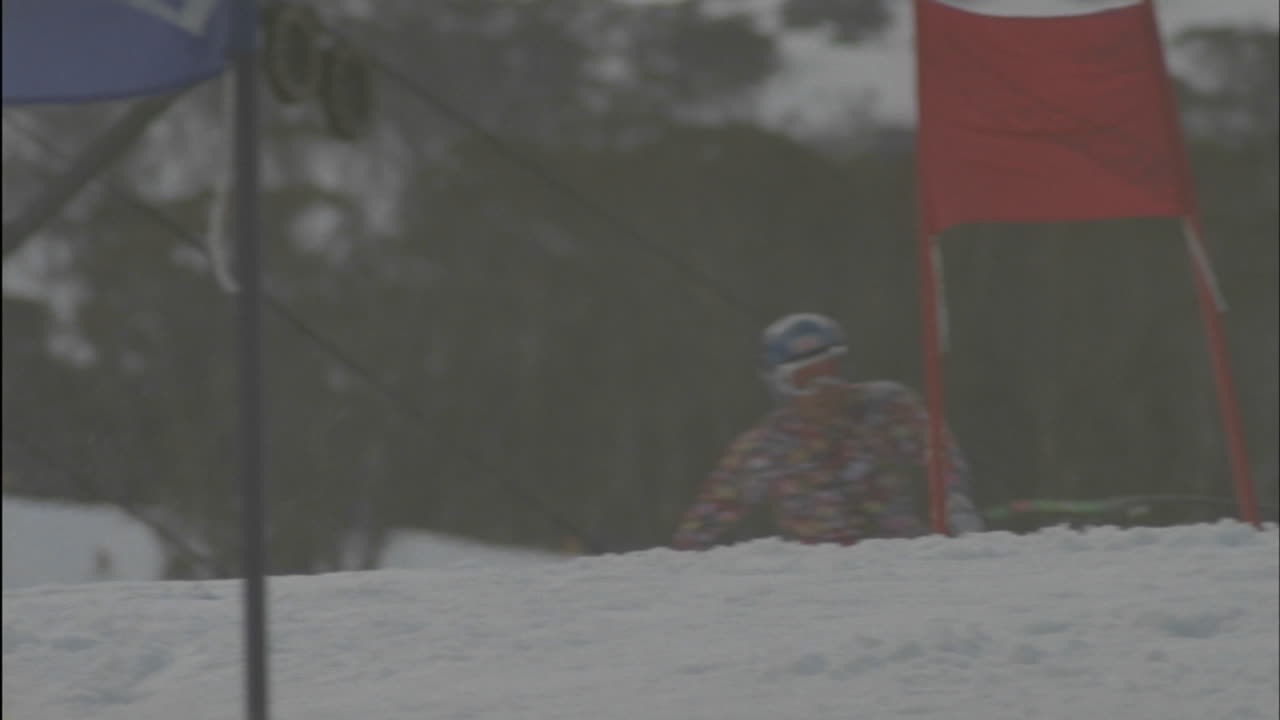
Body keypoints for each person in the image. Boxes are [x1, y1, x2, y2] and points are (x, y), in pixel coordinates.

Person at [671, 312, 983, 550]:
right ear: (779, 386)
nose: (824, 391)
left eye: (831, 372)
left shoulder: (885, 406)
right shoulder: (763, 449)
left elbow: (939, 452)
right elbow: (699, 529)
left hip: (901, 562)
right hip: (824, 586)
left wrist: (955, 502)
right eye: (805, 380)